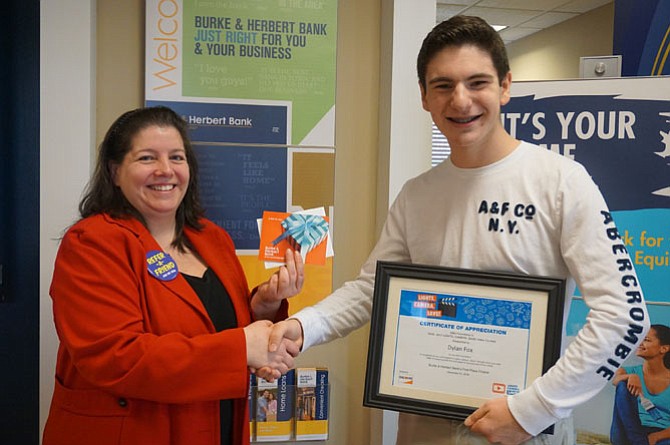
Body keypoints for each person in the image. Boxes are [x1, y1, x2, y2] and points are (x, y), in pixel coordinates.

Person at [265, 14, 650, 445]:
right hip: (423, 420)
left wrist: (531, 410)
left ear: (505, 86)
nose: (461, 101)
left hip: (521, 428)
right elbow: (372, 289)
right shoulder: (418, 194)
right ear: (425, 97)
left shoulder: (561, 181)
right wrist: (304, 326)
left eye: (477, 82)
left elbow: (625, 316)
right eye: (443, 85)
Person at [42, 106, 304, 445]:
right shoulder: (91, 243)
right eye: (147, 158)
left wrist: (264, 308)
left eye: (177, 158)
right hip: (133, 432)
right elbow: (116, 357)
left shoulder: (212, 238)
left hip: (216, 425)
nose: (165, 170)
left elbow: (219, 329)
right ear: (115, 171)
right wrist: (241, 349)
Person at [611, 324, 670, 445]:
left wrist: (656, 436)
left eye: (646, 340)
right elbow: (615, 380)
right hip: (628, 432)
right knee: (622, 385)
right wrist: (630, 377)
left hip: (661, 435)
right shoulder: (628, 371)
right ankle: (639, 441)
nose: (640, 343)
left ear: (663, 349)